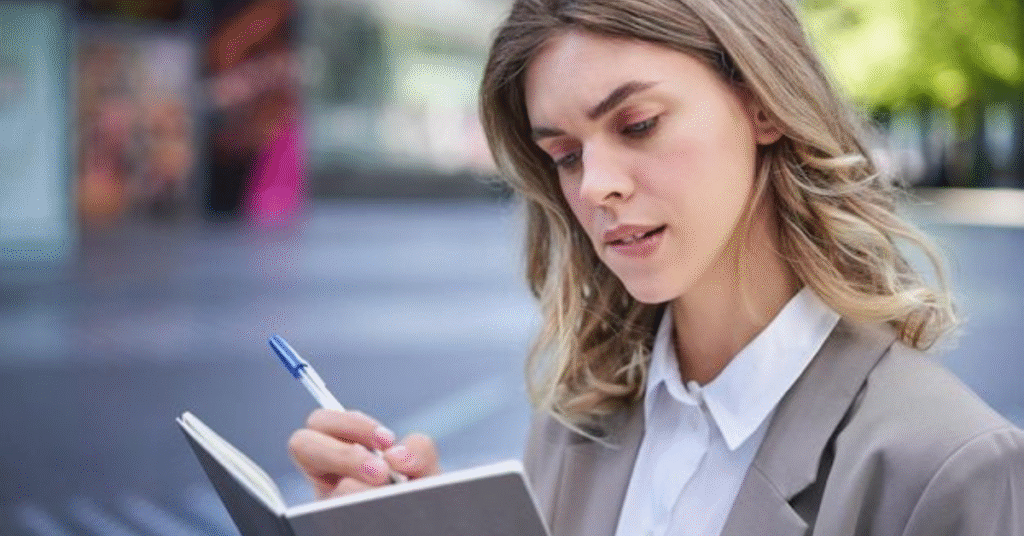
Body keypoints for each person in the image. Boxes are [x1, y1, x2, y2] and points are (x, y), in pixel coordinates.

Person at [287, 0, 1024, 534]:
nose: (595, 185)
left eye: (637, 125)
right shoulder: (577, 420)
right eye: (565, 156)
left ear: (762, 101)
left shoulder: (949, 465)